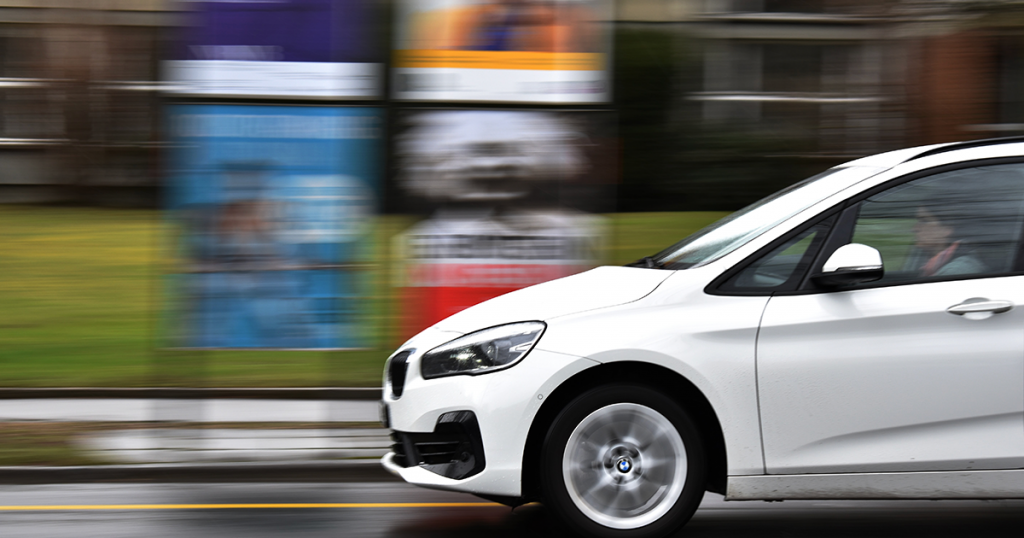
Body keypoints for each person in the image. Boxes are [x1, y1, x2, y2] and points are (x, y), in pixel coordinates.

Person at [903, 206, 986, 277]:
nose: (914, 229)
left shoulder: (957, 270)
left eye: (924, 221)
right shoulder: (932, 264)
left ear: (947, 229)